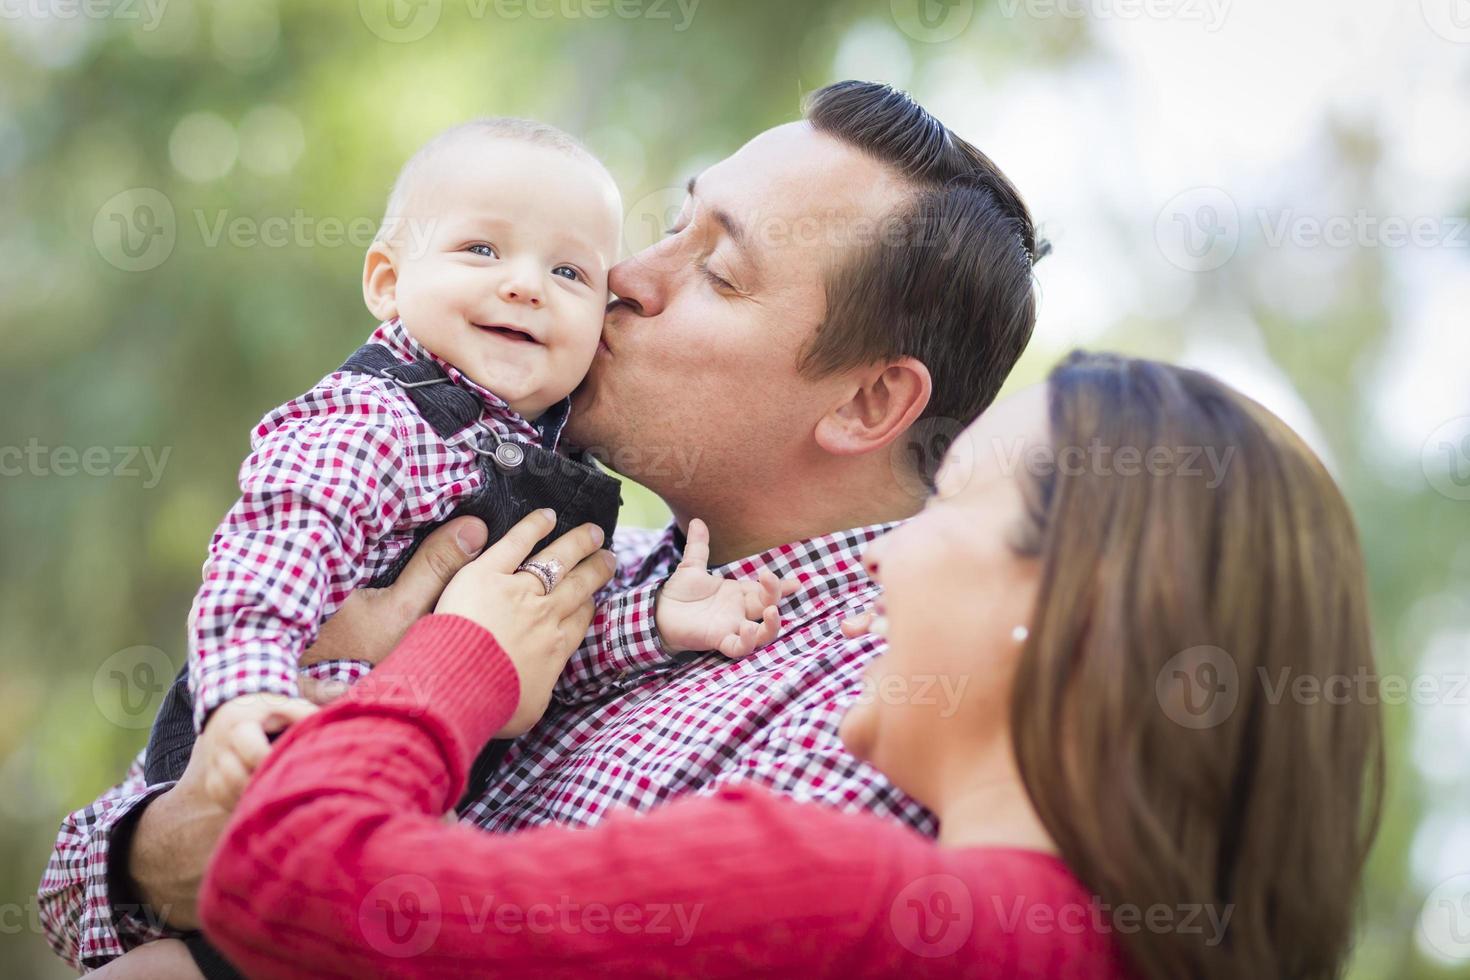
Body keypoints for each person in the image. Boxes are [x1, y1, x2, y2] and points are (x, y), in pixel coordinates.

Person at [40, 80, 1048, 971]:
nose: (624, 279)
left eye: (720, 272)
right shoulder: (564, 558)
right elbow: (75, 886)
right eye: (670, 226)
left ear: (870, 405)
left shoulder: (872, 723)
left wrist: (440, 665)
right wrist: (160, 843)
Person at [185, 352, 1383, 979]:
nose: (891, 555)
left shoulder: (843, 899)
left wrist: (459, 652)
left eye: (950, 503)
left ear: (1070, 609)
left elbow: (286, 874)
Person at [130, 116, 788, 979]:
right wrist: (243, 701)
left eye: (568, 272)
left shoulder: (560, 464)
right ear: (386, 281)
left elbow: (540, 645)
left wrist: (652, 621)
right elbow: (265, 564)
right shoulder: (371, 420)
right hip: (267, 760)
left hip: (387, 839)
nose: (525, 287)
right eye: (482, 250)